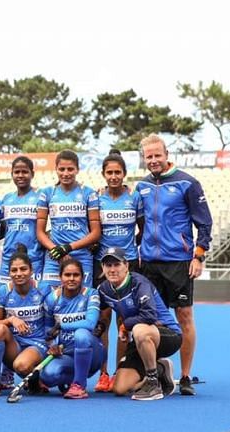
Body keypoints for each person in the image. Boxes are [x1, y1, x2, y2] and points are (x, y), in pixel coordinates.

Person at [136, 133, 212, 396]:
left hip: (179, 261)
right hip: (149, 263)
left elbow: (204, 223)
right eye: (149, 156)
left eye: (158, 155)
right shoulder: (142, 186)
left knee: (184, 317)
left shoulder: (187, 183)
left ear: (167, 155)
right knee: (153, 320)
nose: (154, 160)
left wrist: (198, 255)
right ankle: (157, 371)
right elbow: (140, 223)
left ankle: (186, 375)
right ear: (144, 158)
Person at [96, 247, 182, 401]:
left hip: (167, 334)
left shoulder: (139, 283)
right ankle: (160, 369)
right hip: (138, 341)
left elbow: (149, 315)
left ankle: (153, 383)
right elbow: (98, 313)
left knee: (139, 330)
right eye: (108, 265)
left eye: (117, 264)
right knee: (120, 388)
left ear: (126, 265)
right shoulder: (104, 290)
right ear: (103, 268)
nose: (112, 269)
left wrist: (124, 325)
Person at [92, 150, 144, 392]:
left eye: (118, 172)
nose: (114, 176)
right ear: (103, 174)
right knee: (103, 320)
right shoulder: (97, 199)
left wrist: (130, 256)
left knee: (125, 321)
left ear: (124, 174)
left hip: (128, 264)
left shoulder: (134, 199)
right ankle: (103, 374)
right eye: (109, 172)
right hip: (103, 267)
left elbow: (142, 230)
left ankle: (119, 369)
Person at [0, 245, 48, 396]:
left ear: (31, 271)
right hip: (13, 345)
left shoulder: (44, 289)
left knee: (22, 366)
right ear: (9, 273)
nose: (19, 274)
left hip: (36, 344)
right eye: (14, 270)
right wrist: (11, 320)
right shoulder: (3, 291)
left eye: (23, 269)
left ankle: (35, 381)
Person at [39, 258, 104, 399]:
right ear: (60, 277)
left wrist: (62, 325)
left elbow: (90, 323)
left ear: (82, 277)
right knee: (48, 376)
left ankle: (79, 386)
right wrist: (53, 345)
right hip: (67, 354)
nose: (72, 279)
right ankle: (72, 380)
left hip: (93, 353)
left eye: (76, 275)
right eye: (67, 275)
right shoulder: (51, 299)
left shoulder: (91, 294)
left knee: (81, 334)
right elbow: (48, 330)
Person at [36, 150, 101, 290]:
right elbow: (40, 232)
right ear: (56, 170)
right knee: (48, 298)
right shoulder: (47, 193)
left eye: (70, 169)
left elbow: (96, 233)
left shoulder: (89, 193)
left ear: (77, 169)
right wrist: (56, 250)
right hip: (55, 258)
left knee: (83, 299)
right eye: (62, 169)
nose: (66, 173)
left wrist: (68, 248)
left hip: (82, 256)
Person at [0, 156, 44, 285]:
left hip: (33, 259)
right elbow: (3, 230)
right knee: (6, 297)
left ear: (32, 174)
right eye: (16, 172)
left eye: (24, 172)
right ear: (12, 174)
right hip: (8, 260)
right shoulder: (6, 199)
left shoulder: (41, 197)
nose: (20, 175)